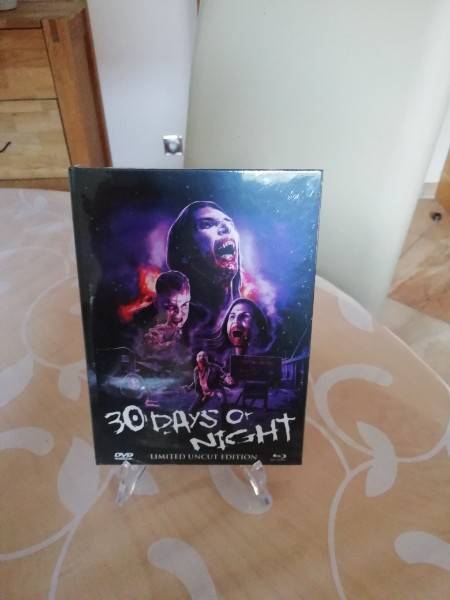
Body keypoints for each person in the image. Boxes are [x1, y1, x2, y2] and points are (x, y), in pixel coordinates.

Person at [167, 201, 241, 333]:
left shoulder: (256, 319)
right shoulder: (171, 330)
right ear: (185, 251)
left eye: (230, 223)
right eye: (207, 224)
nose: (226, 228)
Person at [208, 298, 272, 366]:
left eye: (244, 316)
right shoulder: (217, 365)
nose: (236, 322)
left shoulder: (268, 365)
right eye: (232, 317)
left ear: (258, 326)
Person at [143, 270, 191, 353]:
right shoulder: (137, 327)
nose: (178, 315)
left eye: (184, 305)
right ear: (156, 302)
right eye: (170, 306)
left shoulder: (204, 324)